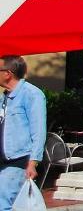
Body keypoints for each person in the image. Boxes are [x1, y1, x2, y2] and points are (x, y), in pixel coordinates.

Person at [0, 55, 46, 211]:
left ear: (8, 73)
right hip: (3, 160)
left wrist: (33, 163)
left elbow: (38, 131)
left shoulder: (32, 94)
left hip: (18, 161)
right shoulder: (4, 98)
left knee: (2, 203)